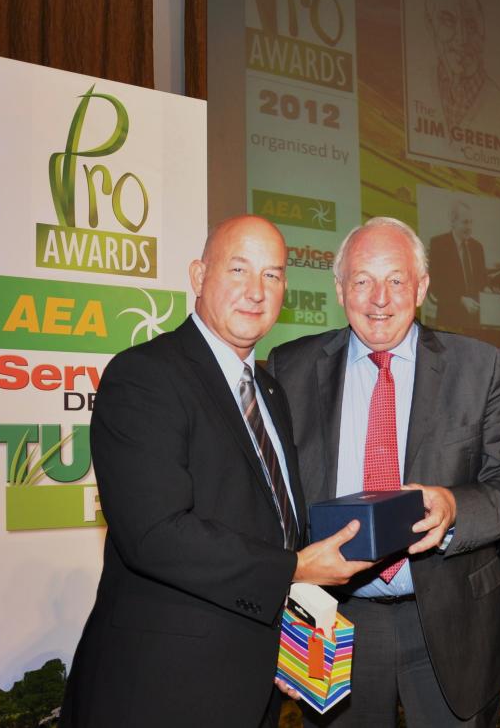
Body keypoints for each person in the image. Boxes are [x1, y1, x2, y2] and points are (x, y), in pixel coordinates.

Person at [59, 215, 372, 728]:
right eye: (238, 270)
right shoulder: (145, 376)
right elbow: (155, 534)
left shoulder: (269, 391)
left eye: (272, 275)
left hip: (253, 680)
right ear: (199, 276)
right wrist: (293, 569)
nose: (256, 291)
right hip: (164, 688)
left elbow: (272, 524)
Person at [267, 216, 500, 727]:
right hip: (332, 617)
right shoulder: (289, 367)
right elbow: (270, 500)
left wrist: (456, 507)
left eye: (396, 280)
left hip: (449, 619)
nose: (379, 299)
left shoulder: (478, 367)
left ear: (423, 286)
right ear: (340, 289)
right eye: (362, 281)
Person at [424, 0, 500, 135]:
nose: (462, 38)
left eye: (471, 24)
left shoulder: (498, 99)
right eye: (448, 21)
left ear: (483, 32)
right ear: (430, 27)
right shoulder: (421, 80)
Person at [428, 200, 490, 328]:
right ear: (453, 222)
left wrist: (487, 291)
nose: (469, 227)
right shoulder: (438, 244)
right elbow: (435, 285)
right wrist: (460, 300)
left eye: (471, 222)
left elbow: (483, 280)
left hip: (475, 318)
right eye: (465, 222)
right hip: (450, 318)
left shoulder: (477, 247)